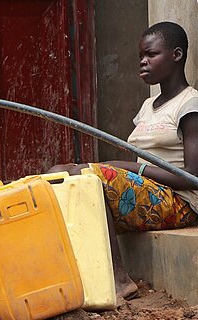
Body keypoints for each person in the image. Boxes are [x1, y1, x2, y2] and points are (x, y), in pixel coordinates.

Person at [47, 21, 198, 300]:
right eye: (141, 55)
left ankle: (118, 279)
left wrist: (130, 167)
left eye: (151, 54)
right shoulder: (147, 108)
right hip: (148, 195)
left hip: (179, 201)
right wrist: (128, 171)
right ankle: (70, 275)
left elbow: (193, 177)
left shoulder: (190, 105)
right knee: (58, 174)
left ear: (176, 55)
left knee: (90, 176)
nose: (143, 62)